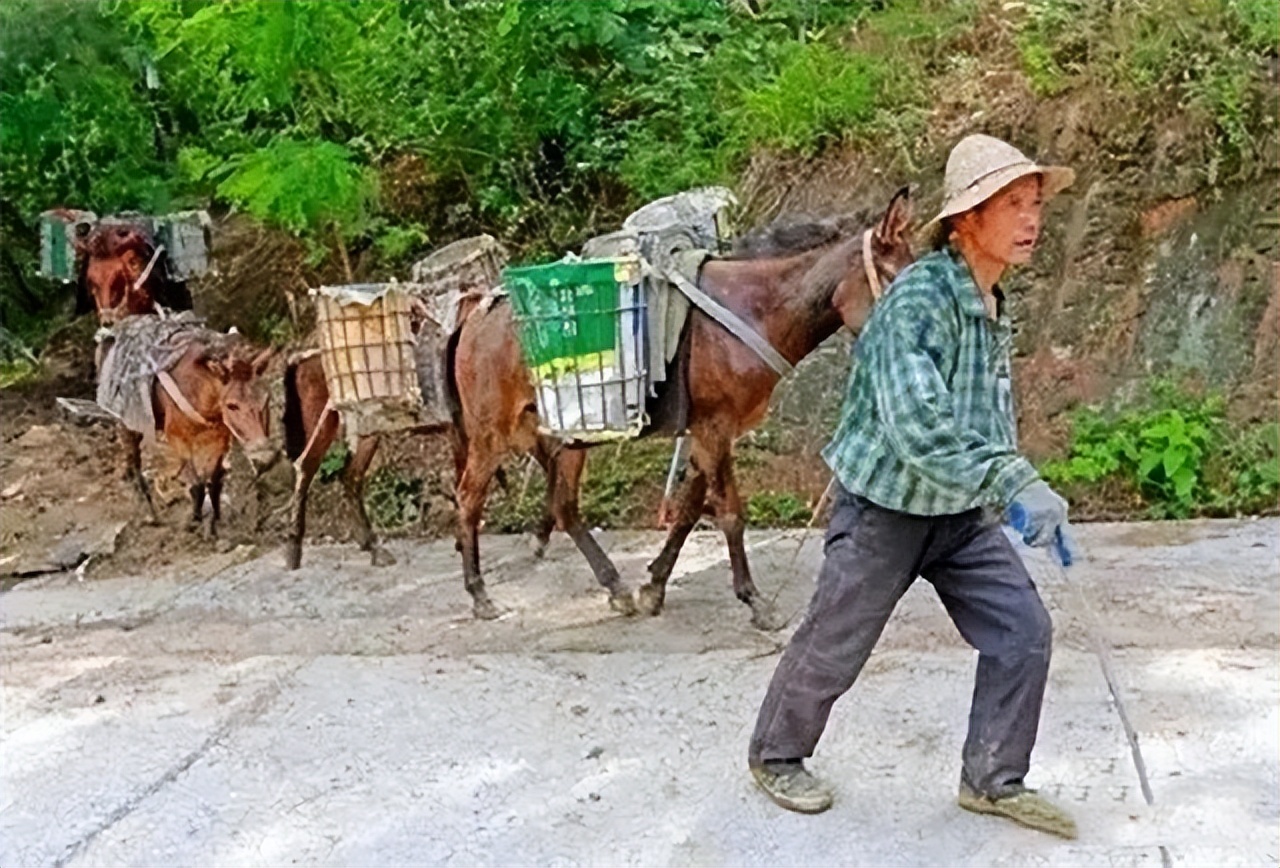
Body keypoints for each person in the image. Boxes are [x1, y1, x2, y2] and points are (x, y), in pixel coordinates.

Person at [747, 133, 1079, 839]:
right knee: (835, 643)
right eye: (1012, 205)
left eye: (1035, 204)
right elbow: (920, 429)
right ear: (965, 221)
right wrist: (1012, 479)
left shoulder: (991, 302)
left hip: (958, 516)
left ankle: (992, 779)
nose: (1031, 221)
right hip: (884, 509)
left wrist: (1016, 486)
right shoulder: (915, 304)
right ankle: (776, 755)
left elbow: (986, 416)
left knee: (1023, 633)